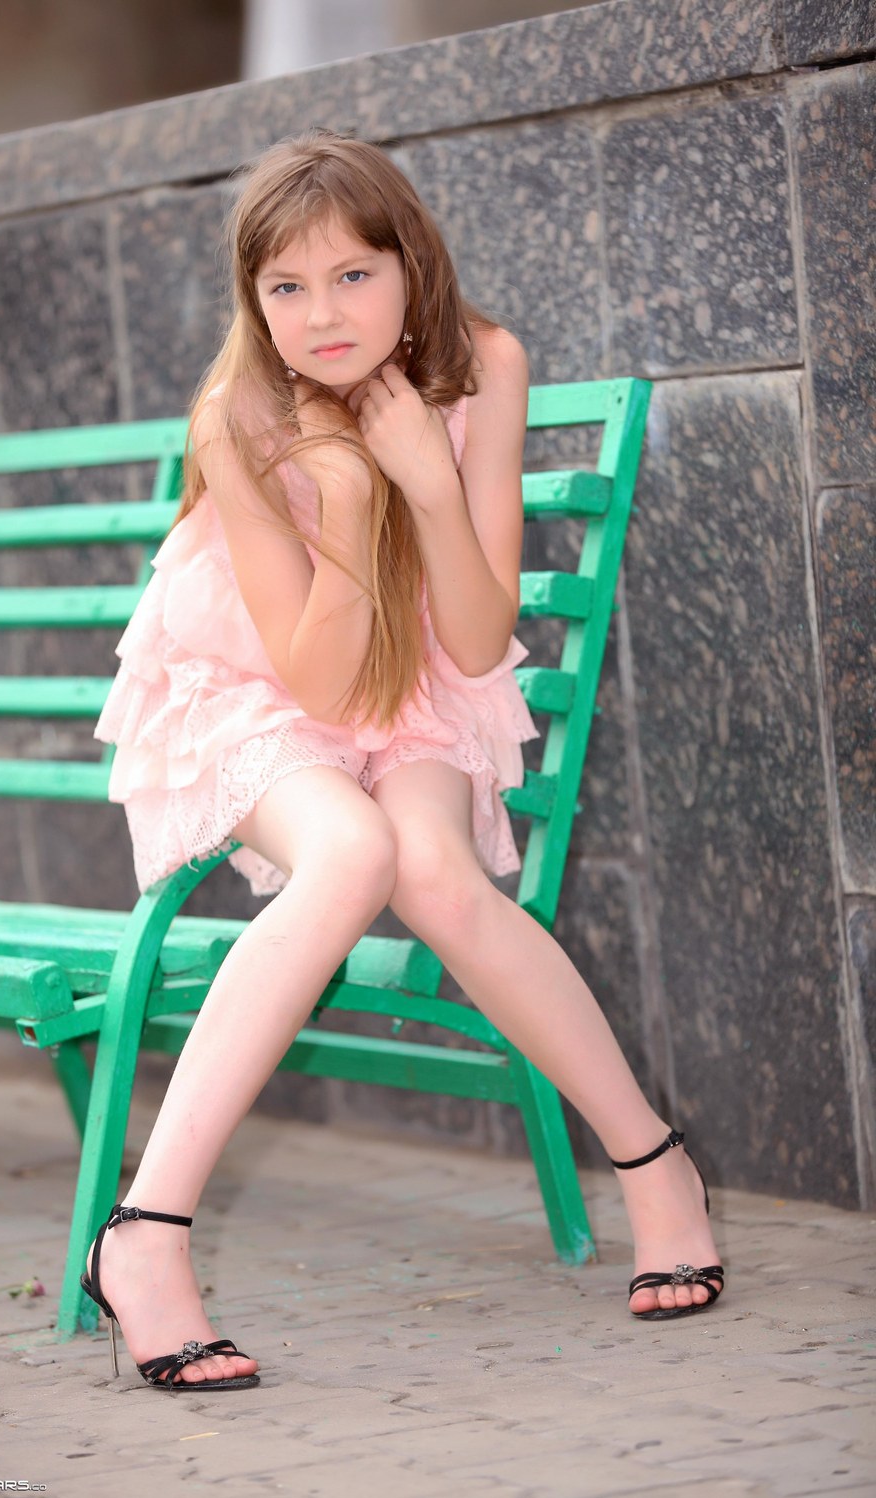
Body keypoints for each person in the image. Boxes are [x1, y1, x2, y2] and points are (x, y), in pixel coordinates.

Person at [81, 129, 724, 1393]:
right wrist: (350, 497)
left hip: (418, 681)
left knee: (431, 870)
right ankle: (146, 1236)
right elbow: (316, 684)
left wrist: (426, 481)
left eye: (352, 276)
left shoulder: (484, 364)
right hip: (260, 693)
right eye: (286, 286)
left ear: (409, 263)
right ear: (251, 297)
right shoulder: (238, 412)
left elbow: (476, 643)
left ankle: (658, 1169)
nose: (321, 315)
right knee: (352, 852)